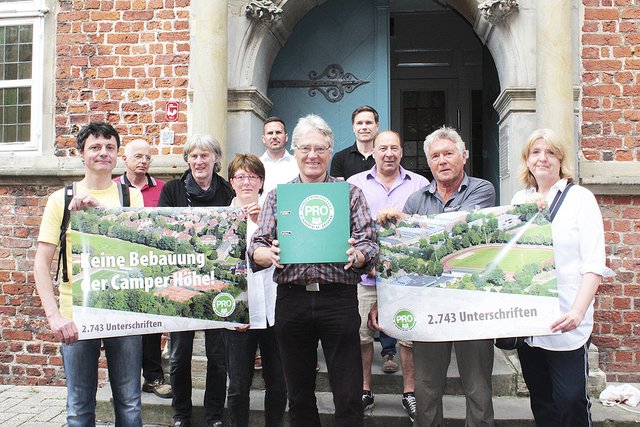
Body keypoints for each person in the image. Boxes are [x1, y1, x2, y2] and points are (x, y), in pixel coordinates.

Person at [249, 114, 379, 427]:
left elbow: (370, 244)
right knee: (298, 393)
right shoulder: (279, 196)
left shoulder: (348, 193)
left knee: (348, 392)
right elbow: (257, 245)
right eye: (305, 148)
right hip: (292, 300)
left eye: (320, 148)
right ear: (295, 151)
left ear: (330, 151)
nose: (312, 155)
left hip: (338, 299)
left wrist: (359, 255)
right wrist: (265, 253)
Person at [370, 126, 496, 427]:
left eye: (448, 153)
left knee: (477, 388)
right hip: (429, 306)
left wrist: (412, 223)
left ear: (463, 156)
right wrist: (384, 301)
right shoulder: (415, 200)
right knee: (426, 389)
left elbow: (462, 228)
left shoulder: (482, 189)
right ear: (429, 163)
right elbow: (404, 256)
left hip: (473, 305)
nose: (442, 161)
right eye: (435, 156)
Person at [34, 122, 145, 426]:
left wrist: (99, 216)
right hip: (76, 316)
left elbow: (136, 251)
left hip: (123, 313)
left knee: (130, 403)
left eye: (110, 147)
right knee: (79, 406)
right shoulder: (61, 199)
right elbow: (41, 264)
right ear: (81, 153)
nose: (103, 153)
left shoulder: (130, 197)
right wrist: (55, 316)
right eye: (95, 147)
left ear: (117, 154)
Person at [511, 129, 607, 427]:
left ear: (560, 160)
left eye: (550, 152)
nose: (543, 158)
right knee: (542, 400)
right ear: (526, 160)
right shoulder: (520, 199)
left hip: (567, 319)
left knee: (570, 400)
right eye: (536, 152)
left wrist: (578, 313)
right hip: (530, 321)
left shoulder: (581, 199)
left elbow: (594, 264)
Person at [347, 130, 429, 422]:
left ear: (402, 151)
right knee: (361, 334)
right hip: (364, 274)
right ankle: (365, 389)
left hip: (406, 277)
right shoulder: (354, 184)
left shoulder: (420, 185)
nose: (389, 154)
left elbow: (426, 228)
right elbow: (348, 228)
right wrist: (365, 261)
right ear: (374, 152)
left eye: (394, 148)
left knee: (407, 335)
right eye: (383, 148)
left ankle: (409, 393)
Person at [158, 134, 234, 427]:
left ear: (216, 159)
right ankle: (181, 415)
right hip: (182, 279)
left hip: (217, 284)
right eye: (194, 156)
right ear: (187, 160)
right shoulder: (173, 190)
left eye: (205, 155)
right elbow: (163, 230)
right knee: (178, 356)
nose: (199, 161)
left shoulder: (228, 191)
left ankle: (214, 415)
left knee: (218, 356)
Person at [224, 153, 288, 427]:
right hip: (240, 314)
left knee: (278, 383)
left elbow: (289, 253)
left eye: (252, 176)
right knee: (238, 385)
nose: (246, 182)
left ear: (261, 182)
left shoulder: (275, 214)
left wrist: (266, 224)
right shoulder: (219, 219)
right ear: (231, 182)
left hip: (275, 309)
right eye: (240, 176)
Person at [114, 138, 171, 399]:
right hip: (120, 264)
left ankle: (153, 377)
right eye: (138, 156)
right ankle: (123, 381)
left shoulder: (163, 189)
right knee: (122, 326)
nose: (143, 161)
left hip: (151, 266)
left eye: (147, 157)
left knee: (151, 323)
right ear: (124, 159)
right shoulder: (113, 188)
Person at [329, 105, 379, 180]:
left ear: (377, 126)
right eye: (359, 123)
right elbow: (339, 190)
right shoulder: (340, 158)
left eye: (368, 123)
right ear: (353, 127)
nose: (364, 127)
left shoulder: (384, 156)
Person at [259, 116, 299, 205]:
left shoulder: (297, 164)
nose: (274, 136)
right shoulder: (256, 165)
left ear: (286, 137)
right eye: (270, 133)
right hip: (263, 216)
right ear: (263, 139)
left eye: (278, 132)